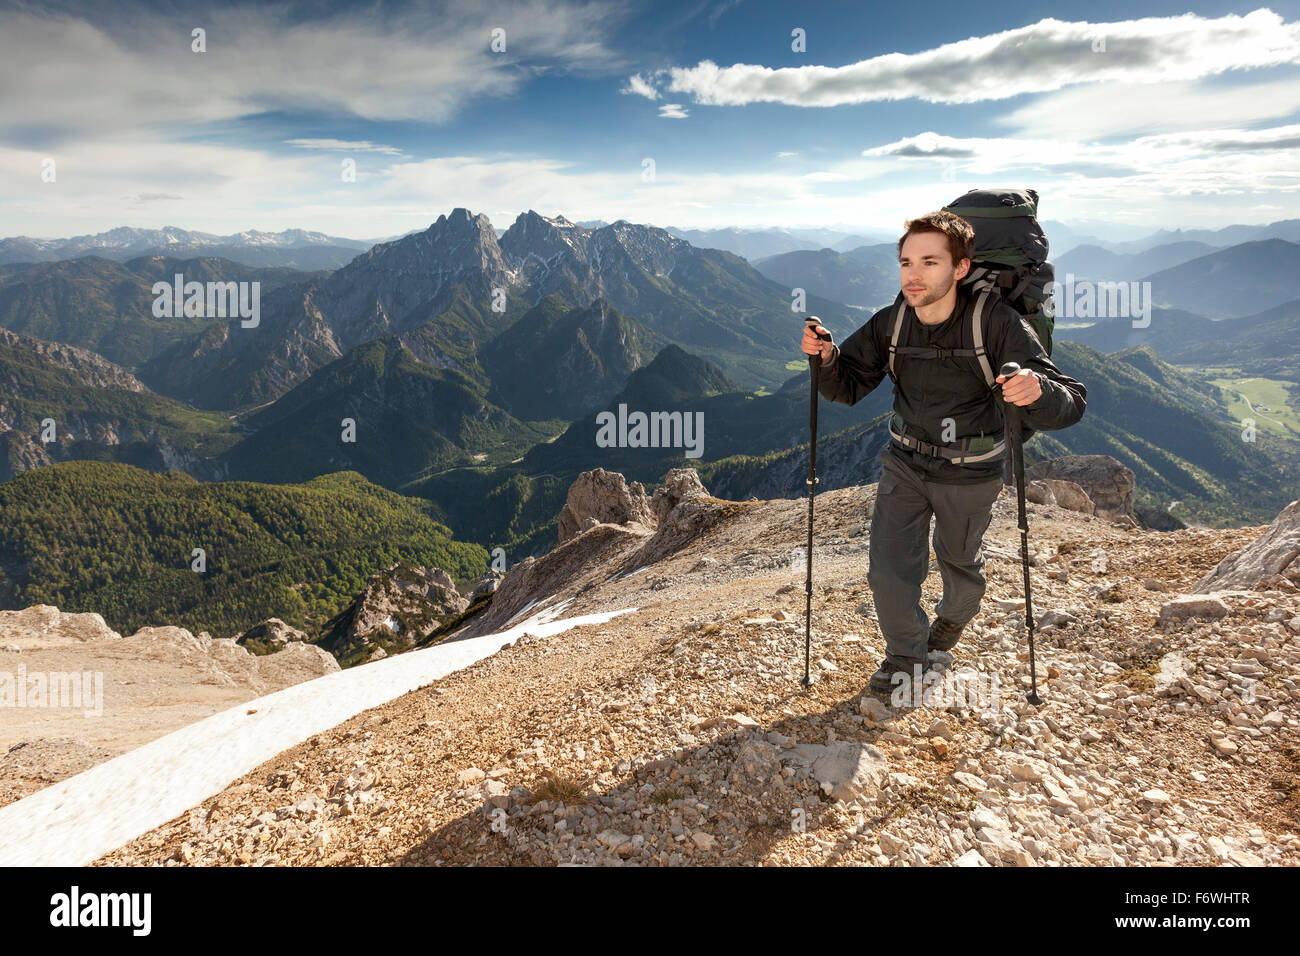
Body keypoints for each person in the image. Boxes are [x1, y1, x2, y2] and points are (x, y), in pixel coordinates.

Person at [799, 210, 1086, 694]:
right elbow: (846, 387)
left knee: (959, 563)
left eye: (929, 262)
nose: (914, 274)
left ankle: (952, 620)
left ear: (959, 268)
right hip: (905, 463)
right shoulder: (891, 322)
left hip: (971, 471)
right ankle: (907, 658)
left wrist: (1036, 390)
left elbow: (1071, 401)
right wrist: (827, 358)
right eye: (906, 261)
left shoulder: (995, 323)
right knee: (888, 571)